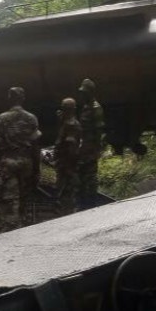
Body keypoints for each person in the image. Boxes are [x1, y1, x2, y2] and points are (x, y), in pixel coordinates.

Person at [0, 86, 41, 227]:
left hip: (8, 162)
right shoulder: (31, 118)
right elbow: (36, 145)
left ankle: (13, 227)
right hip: (26, 161)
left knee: (11, 198)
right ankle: (25, 224)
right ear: (23, 98)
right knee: (25, 197)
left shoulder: (1, 118)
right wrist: (37, 168)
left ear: (9, 98)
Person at [75, 78, 106, 210]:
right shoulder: (86, 107)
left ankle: (91, 202)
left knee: (91, 176)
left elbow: (99, 130)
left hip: (91, 147)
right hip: (84, 147)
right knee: (82, 175)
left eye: (84, 92)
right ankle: (84, 203)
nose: (82, 94)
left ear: (90, 92)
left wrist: (96, 149)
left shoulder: (95, 108)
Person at [53, 97, 82, 214]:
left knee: (66, 190)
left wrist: (69, 167)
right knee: (64, 190)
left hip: (66, 163)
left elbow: (71, 147)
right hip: (65, 162)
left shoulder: (71, 125)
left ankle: (67, 212)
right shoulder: (66, 122)